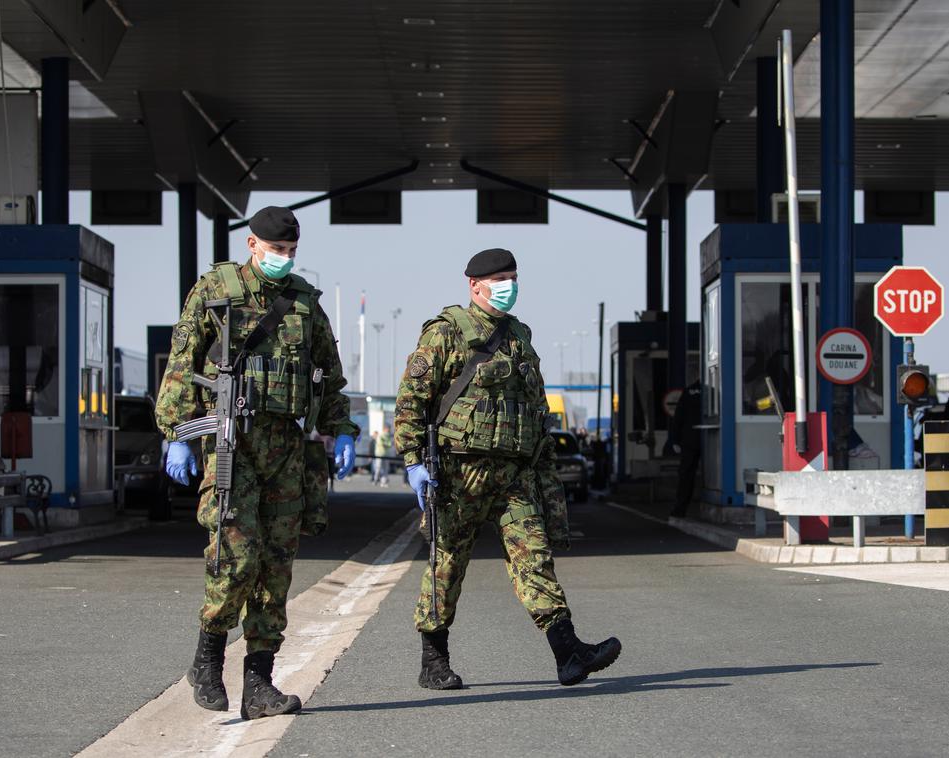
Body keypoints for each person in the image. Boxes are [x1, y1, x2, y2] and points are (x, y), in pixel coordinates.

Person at [156, 206, 359, 720]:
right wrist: (176, 432)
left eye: (291, 252)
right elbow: (181, 362)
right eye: (276, 251)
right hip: (233, 444)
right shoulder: (216, 292)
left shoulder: (305, 304)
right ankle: (206, 658)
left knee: (276, 568)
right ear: (252, 246)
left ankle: (259, 684)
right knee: (236, 555)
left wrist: (340, 430)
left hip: (287, 450)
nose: (284, 259)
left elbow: (329, 377)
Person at [394, 247, 621, 691]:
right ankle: (433, 659)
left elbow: (535, 408)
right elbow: (411, 401)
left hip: (514, 473)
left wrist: (544, 468)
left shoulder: (520, 336)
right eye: (499, 278)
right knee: (447, 563)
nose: (508, 286)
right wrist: (412, 460)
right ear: (474, 284)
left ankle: (568, 652)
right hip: (460, 473)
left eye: (513, 277)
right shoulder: (446, 333)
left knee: (534, 558)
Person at [667, 380, 703, 518]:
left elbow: (678, 417)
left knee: (686, 474)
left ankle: (680, 509)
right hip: (712, 438)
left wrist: (675, 440)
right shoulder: (716, 389)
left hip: (689, 439)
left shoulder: (689, 391)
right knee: (715, 472)